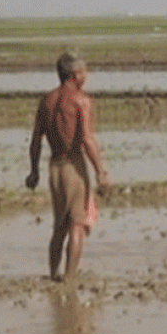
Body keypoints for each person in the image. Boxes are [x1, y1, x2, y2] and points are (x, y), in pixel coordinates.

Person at [26, 52, 111, 281]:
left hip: (54, 168)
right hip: (73, 166)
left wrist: (34, 171)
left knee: (59, 227)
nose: (87, 76)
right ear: (75, 75)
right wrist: (100, 172)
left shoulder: (47, 100)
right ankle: (70, 278)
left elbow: (36, 140)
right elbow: (87, 139)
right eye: (84, 72)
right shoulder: (81, 101)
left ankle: (53, 274)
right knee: (76, 225)